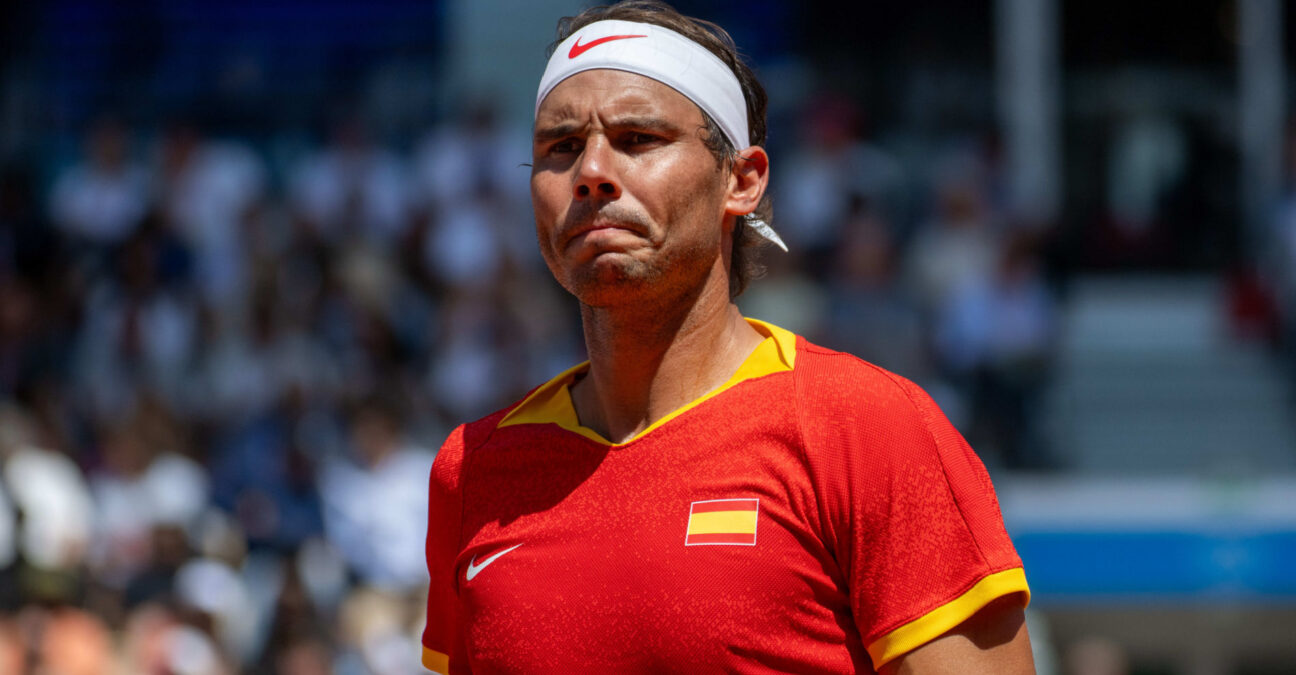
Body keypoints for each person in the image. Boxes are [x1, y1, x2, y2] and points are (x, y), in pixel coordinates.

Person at [422, 2, 1033, 673]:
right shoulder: (472, 468)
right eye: (560, 147)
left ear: (741, 181)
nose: (591, 172)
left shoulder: (866, 426)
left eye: (638, 139)